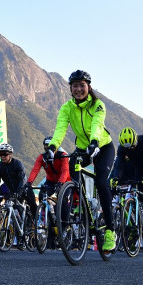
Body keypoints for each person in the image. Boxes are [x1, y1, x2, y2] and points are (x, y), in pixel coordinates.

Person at [45, 69, 117, 251]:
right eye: (74, 86)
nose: (78, 89)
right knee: (71, 177)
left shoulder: (98, 104)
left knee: (101, 182)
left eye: (81, 86)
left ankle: (110, 231)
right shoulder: (67, 108)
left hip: (102, 146)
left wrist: (94, 143)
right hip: (83, 148)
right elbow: (60, 129)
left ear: (89, 87)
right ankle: (77, 211)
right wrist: (52, 147)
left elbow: (97, 125)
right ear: (70, 88)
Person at [110, 127, 143, 218]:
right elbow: (119, 165)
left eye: (133, 146)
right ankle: (142, 218)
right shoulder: (122, 148)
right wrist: (116, 178)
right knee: (139, 195)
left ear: (136, 139)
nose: (131, 149)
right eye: (128, 148)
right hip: (138, 170)